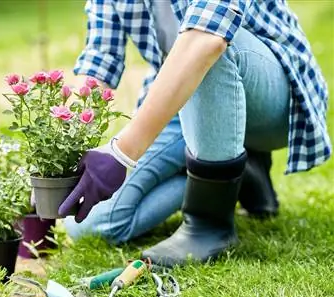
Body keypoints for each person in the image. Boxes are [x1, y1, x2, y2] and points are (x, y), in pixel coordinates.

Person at [60, 0, 331, 268]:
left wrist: (121, 153)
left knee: (209, 41)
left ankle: (208, 225)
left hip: (272, 96)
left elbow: (207, 38)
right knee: (93, 223)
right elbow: (99, 63)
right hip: (189, 103)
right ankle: (237, 170)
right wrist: (60, 157)